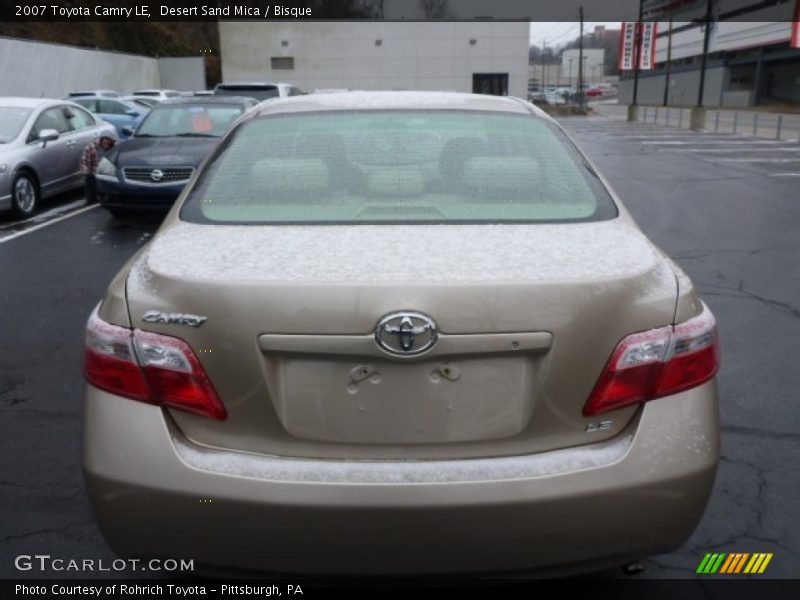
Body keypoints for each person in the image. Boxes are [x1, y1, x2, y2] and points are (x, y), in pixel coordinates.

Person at [79, 135, 116, 205]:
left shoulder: (115, 146)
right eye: (104, 144)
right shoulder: (90, 148)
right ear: (101, 142)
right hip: (95, 170)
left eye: (108, 144)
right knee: (89, 179)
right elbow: (85, 162)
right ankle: (92, 199)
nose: (106, 146)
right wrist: (87, 172)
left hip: (109, 169)